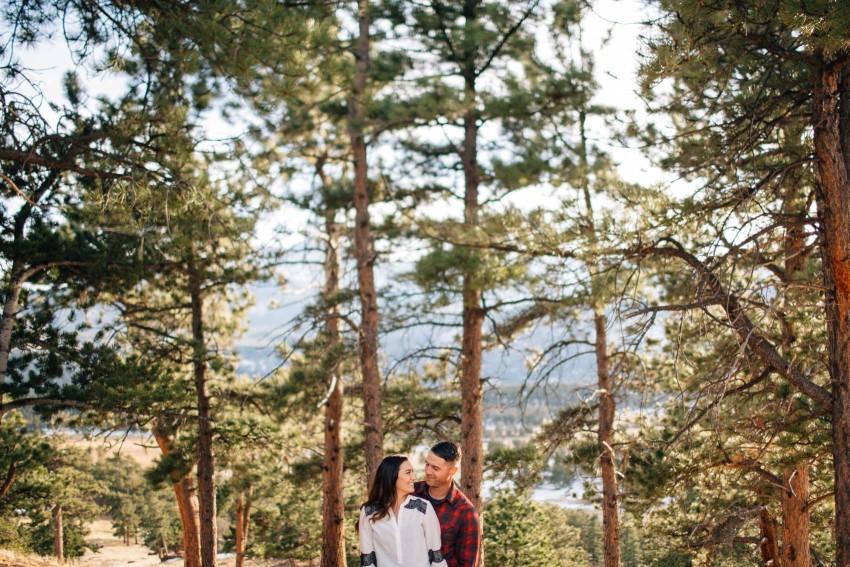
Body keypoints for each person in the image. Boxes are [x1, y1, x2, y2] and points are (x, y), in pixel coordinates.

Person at [359, 455, 448, 567]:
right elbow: (367, 561)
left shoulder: (423, 508)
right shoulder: (368, 512)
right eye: (408, 472)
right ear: (392, 476)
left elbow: (436, 557)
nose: (414, 478)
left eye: (412, 472)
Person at [413, 441, 481, 567]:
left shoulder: (466, 513)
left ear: (453, 471)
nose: (428, 471)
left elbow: (468, 564)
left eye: (435, 468)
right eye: (427, 464)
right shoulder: (411, 493)